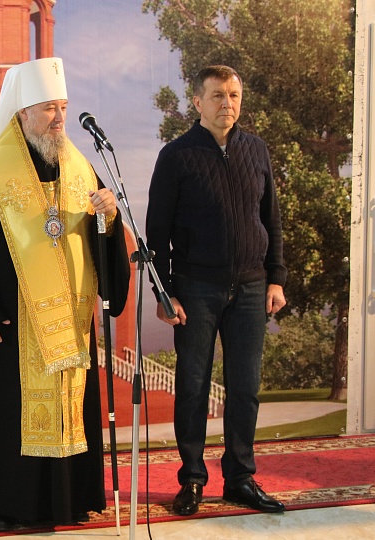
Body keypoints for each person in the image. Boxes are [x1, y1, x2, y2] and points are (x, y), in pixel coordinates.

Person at [0, 57, 130, 531]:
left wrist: (109, 220)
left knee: (69, 409)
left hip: (71, 323)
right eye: (48, 108)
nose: (59, 117)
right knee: (12, 417)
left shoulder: (80, 168)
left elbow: (98, 242)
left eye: (62, 107)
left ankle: (70, 499)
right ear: (23, 112)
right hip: (13, 325)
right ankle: (11, 504)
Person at [146, 65, 287, 516]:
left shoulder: (257, 150)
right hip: (195, 290)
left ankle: (240, 479)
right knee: (192, 386)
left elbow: (271, 219)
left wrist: (276, 277)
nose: (228, 103)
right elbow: (157, 232)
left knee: (245, 388)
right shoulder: (176, 156)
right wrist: (164, 293)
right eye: (218, 95)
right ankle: (191, 480)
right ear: (198, 102)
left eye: (234, 95)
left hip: (251, 287)